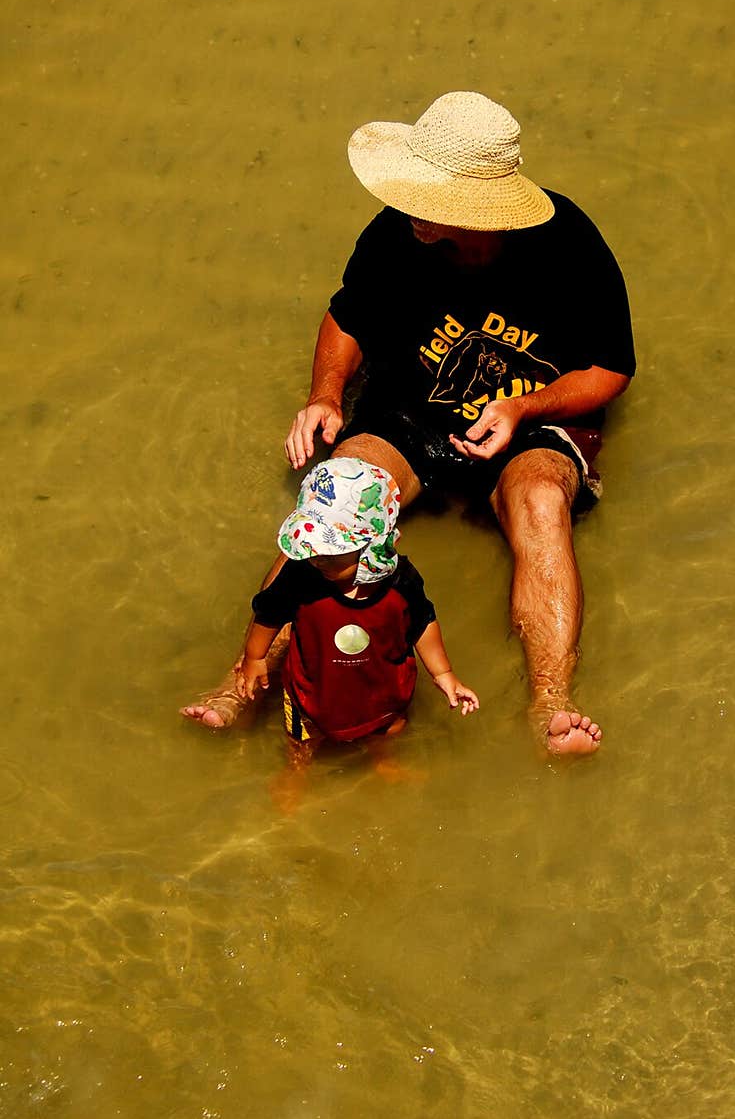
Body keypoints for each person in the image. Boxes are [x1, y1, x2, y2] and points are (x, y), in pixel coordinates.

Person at [183, 91, 634, 757]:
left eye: (429, 196)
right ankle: (240, 678)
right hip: (411, 407)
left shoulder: (569, 246)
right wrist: (326, 394)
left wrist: (522, 408)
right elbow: (349, 315)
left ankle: (550, 699)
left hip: (528, 415)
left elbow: (610, 369)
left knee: (540, 501)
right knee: (337, 486)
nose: (409, 206)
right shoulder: (399, 232)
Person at [228, 457, 478, 765]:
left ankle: (382, 760)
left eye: (330, 553)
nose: (316, 559)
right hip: (311, 693)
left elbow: (422, 622)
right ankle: (296, 773)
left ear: (372, 547)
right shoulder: (301, 574)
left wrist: (443, 673)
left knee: (388, 730)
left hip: (382, 693)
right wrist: (255, 657)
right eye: (312, 548)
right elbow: (269, 611)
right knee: (300, 738)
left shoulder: (402, 581)